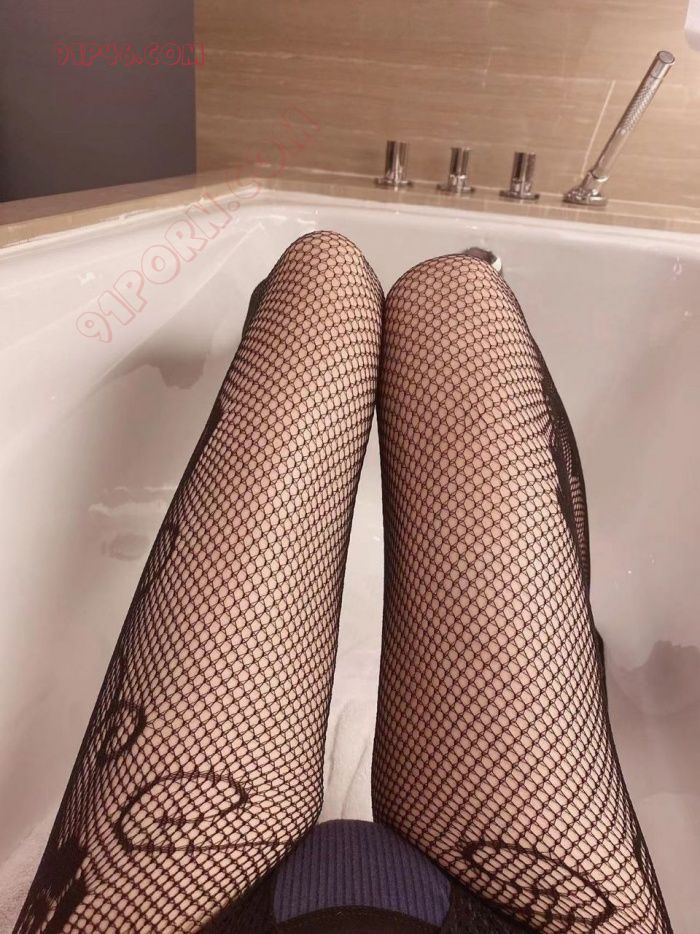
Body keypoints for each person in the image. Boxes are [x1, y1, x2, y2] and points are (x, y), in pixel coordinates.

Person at [14, 232, 672, 933]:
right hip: (547, 907)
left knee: (322, 276)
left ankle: (374, 286)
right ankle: (465, 274)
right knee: (459, 301)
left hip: (164, 905)